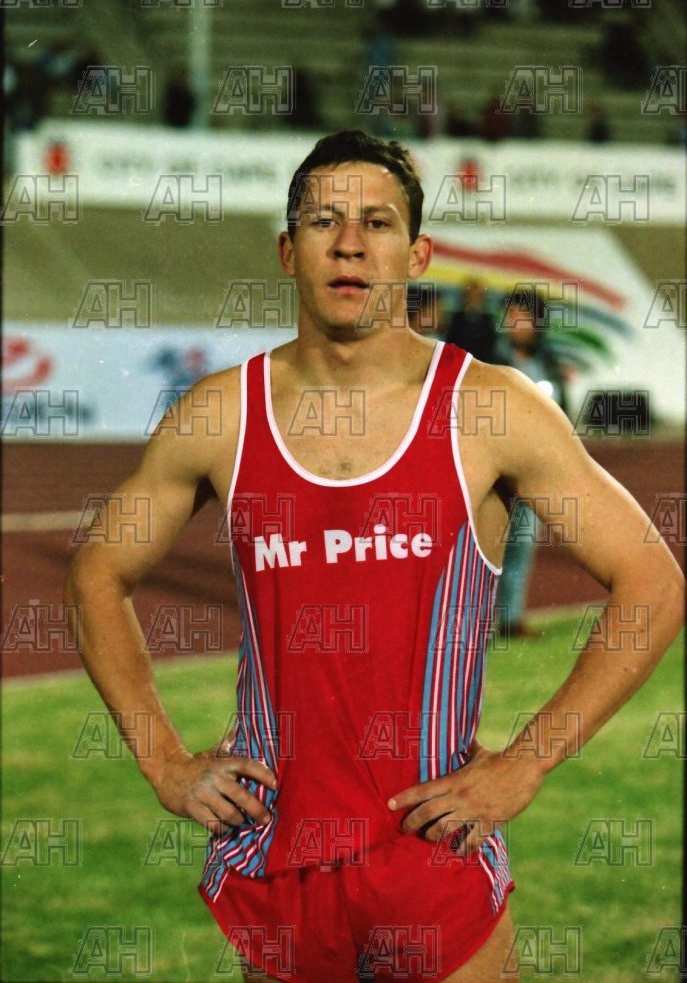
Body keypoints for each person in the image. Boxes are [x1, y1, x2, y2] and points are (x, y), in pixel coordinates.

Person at [65, 130, 683, 983]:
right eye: (323, 221)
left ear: (417, 254)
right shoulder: (220, 415)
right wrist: (164, 761)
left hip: (432, 850)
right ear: (287, 251)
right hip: (275, 854)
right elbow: (97, 573)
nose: (349, 243)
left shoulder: (488, 409)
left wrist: (526, 762)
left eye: (377, 223)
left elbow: (652, 580)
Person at [494, 289, 569, 639]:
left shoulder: (548, 363)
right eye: (510, 316)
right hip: (492, 472)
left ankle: (511, 619)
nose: (514, 324)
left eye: (521, 317)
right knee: (483, 546)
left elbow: (563, 414)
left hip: (532, 472)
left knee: (522, 545)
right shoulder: (486, 358)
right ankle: (474, 621)